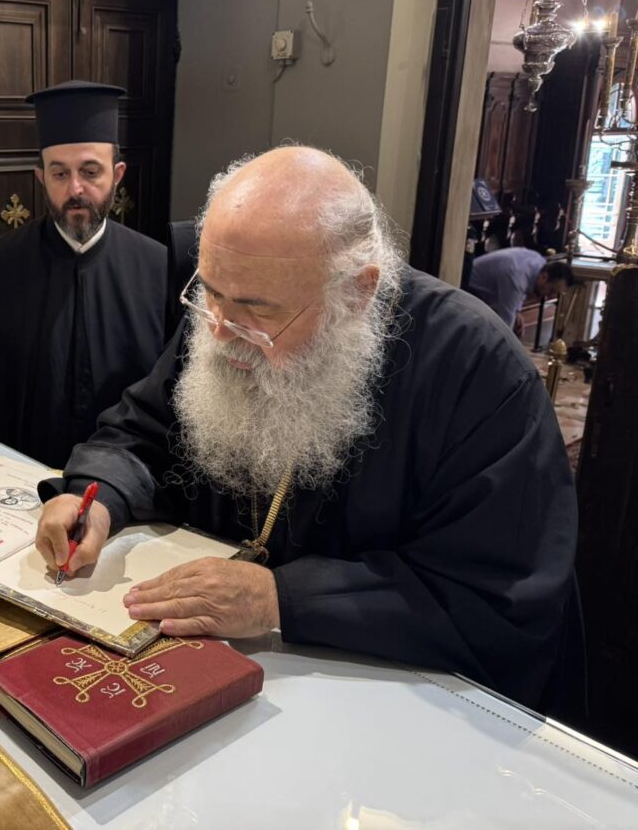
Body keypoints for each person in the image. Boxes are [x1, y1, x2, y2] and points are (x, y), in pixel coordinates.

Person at [35, 146, 578, 710]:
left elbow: (494, 597)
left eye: (257, 309)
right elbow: (145, 431)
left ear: (357, 292)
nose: (218, 331)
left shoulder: (475, 369)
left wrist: (281, 597)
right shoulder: (227, 322)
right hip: (217, 675)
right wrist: (97, 498)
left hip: (376, 704)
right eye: (210, 292)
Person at [0, 81, 166, 468]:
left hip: (125, 486)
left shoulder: (160, 271)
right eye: (60, 174)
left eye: (90, 172)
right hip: (16, 481)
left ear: (118, 174)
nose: (75, 189)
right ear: (41, 177)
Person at [467, 246, 573, 336]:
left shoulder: (538, 261)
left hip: (485, 294)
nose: (550, 297)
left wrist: (516, 311)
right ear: (544, 277)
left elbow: (525, 284)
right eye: (551, 290)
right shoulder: (516, 277)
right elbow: (504, 327)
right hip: (468, 291)